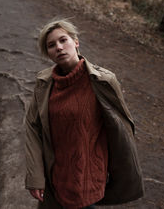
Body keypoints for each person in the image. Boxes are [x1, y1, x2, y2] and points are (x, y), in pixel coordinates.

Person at [25, 19, 144, 209]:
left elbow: (122, 129)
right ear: (48, 53)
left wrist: (118, 172)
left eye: (63, 40)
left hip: (87, 178)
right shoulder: (45, 83)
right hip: (54, 177)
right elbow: (32, 127)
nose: (59, 47)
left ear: (76, 42)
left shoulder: (103, 81)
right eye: (51, 45)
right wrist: (35, 176)